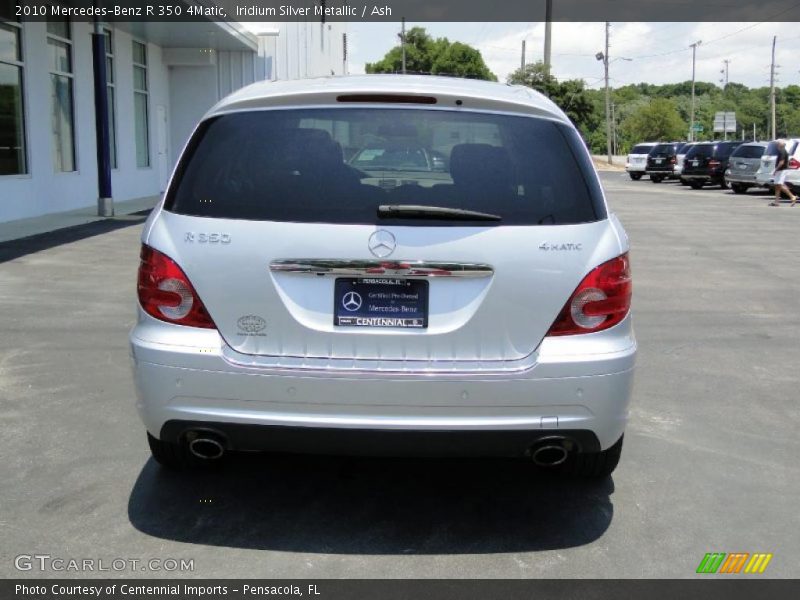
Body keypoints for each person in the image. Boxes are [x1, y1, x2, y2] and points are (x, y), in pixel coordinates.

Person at [768, 139, 798, 207]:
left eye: (778, 144)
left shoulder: (782, 151)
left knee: (780, 185)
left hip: (781, 170)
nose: (777, 145)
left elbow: (781, 162)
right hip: (781, 170)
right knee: (777, 186)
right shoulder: (782, 151)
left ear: (781, 145)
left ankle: (792, 196)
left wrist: (776, 170)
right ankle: (776, 202)